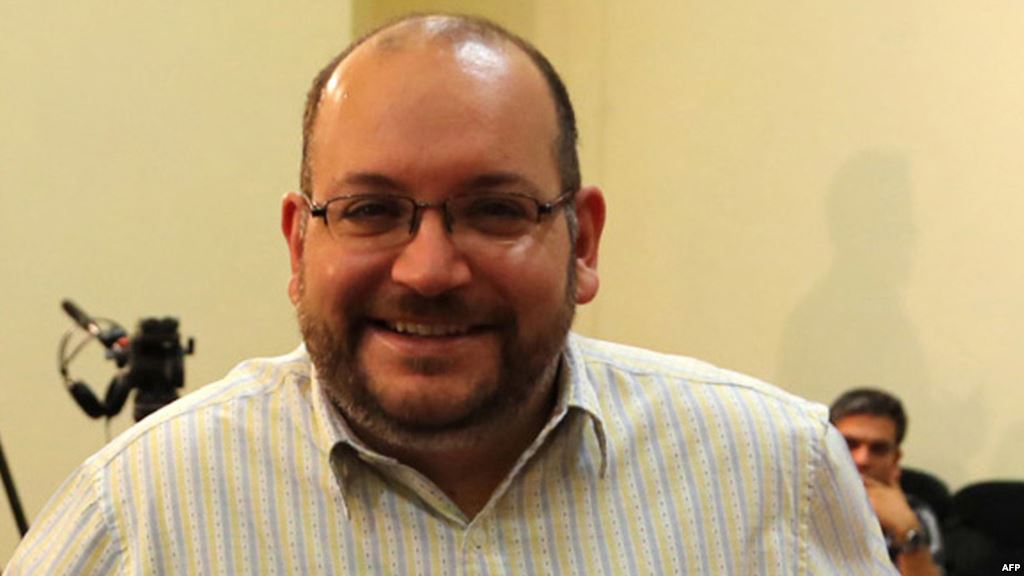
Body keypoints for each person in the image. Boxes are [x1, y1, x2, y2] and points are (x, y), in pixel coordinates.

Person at [7, 14, 894, 575]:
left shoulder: (781, 474)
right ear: (297, 242)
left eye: (495, 208)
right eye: (370, 210)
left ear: (582, 240)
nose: (428, 270)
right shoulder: (139, 518)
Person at [831, 388, 944, 576]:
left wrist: (907, 531)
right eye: (849, 444)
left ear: (895, 459)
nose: (862, 459)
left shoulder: (916, 513)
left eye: (878, 449)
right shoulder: (796, 500)